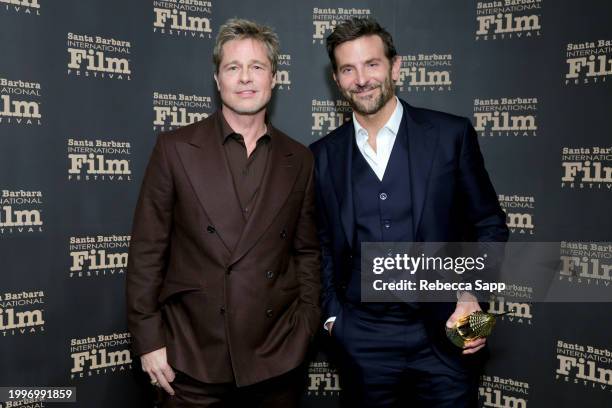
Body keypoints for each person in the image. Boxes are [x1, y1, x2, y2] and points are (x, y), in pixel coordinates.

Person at [310, 17, 509, 407]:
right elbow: (319, 245)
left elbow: (490, 225)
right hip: (362, 338)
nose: (361, 79)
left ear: (395, 67)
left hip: (446, 332)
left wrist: (473, 304)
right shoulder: (321, 156)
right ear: (337, 79)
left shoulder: (451, 135)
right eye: (348, 69)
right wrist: (334, 321)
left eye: (372, 64)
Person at [126, 18, 320, 407]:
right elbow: (147, 252)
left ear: (274, 78)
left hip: (275, 356)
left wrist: (306, 326)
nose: (245, 78)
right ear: (217, 79)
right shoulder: (175, 148)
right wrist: (149, 340)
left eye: (257, 67)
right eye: (233, 67)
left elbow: (307, 253)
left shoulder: (298, 158)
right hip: (191, 355)